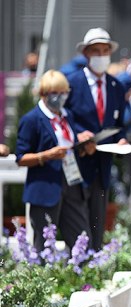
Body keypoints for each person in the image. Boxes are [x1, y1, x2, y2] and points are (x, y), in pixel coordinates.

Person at [64, 27, 128, 250]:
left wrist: (121, 140)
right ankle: (78, 263)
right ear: (86, 53)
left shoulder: (116, 86)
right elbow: (61, 119)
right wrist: (78, 135)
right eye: (96, 51)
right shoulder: (71, 83)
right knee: (76, 220)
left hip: (103, 165)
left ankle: (95, 264)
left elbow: (120, 124)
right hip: (77, 164)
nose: (101, 56)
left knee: (98, 219)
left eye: (105, 51)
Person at [15, 70, 92, 251]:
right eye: (54, 93)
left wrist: (82, 146)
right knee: (44, 246)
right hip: (45, 188)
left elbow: (69, 147)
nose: (60, 97)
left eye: (63, 92)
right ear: (43, 94)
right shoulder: (32, 119)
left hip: (71, 183)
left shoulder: (67, 116)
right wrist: (47, 155)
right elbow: (21, 158)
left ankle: (80, 277)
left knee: (81, 238)